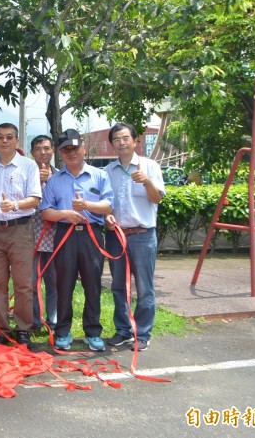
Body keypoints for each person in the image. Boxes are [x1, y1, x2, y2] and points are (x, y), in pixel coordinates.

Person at [40, 129, 113, 351]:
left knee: (93, 284)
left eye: (75, 148)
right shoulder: (54, 181)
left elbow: (109, 206)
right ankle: (63, 331)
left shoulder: (99, 176)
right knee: (64, 284)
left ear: (83, 148)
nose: (71, 153)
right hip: (65, 235)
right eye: (66, 150)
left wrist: (87, 206)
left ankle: (93, 332)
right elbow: (45, 212)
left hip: (92, 235)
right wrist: (65, 214)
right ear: (60, 153)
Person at [104, 123, 165, 351]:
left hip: (142, 236)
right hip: (116, 236)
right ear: (112, 144)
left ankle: (142, 334)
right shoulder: (108, 171)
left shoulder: (149, 166)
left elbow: (157, 198)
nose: (121, 143)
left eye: (125, 138)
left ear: (135, 140)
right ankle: (123, 330)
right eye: (117, 139)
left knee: (144, 287)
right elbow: (105, 204)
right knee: (118, 286)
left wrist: (147, 181)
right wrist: (107, 217)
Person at [0, 123, 41, 346]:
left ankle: (23, 328)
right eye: (0, 137)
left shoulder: (28, 166)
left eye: (9, 137)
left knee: (23, 283)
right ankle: (2, 329)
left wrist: (14, 205)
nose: (4, 141)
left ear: (17, 141)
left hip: (20, 229)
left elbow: (35, 200)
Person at [29, 135, 58, 332]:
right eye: (38, 148)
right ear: (32, 152)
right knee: (31, 281)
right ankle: (34, 320)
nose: (43, 152)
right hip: (30, 237)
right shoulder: (25, 174)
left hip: (56, 237)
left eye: (47, 148)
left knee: (54, 281)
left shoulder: (61, 176)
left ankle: (54, 320)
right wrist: (37, 183)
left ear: (53, 151)